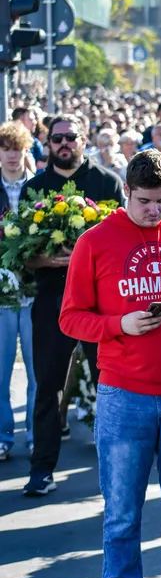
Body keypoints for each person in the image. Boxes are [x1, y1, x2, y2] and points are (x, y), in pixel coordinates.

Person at [58, 149, 161, 578]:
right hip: (124, 395)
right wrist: (118, 325)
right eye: (144, 200)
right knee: (122, 513)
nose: (154, 210)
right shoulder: (94, 242)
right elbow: (69, 318)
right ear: (126, 191)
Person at [22, 114, 124, 496]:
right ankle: (41, 469)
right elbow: (22, 256)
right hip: (51, 302)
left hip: (100, 304)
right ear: (48, 144)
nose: (64, 144)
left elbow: (122, 244)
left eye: (71, 137)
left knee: (109, 387)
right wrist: (45, 259)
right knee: (48, 386)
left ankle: (116, 467)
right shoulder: (37, 187)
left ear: (84, 140)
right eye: (57, 138)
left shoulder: (106, 182)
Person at [0, 121, 37, 460]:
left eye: (18, 149)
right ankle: (3, 435)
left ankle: (36, 436)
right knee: (1, 369)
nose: (12, 155)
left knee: (36, 369)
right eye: (6, 148)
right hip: (1, 296)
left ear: (27, 151)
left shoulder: (38, 191)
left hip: (34, 292)